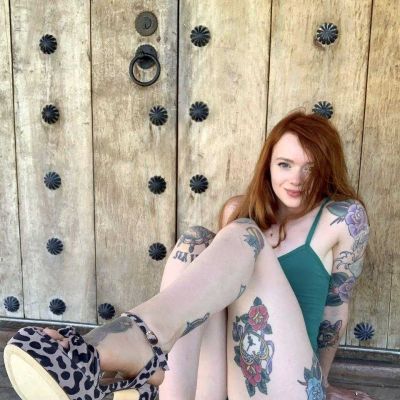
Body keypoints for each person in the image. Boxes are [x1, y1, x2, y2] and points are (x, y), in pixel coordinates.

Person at [4, 110, 372, 400]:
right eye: (285, 164)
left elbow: (335, 313)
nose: (296, 179)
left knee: (245, 234)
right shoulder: (238, 209)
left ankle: (123, 343)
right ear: (268, 165)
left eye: (311, 168)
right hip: (226, 382)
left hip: (287, 384)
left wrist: (323, 383)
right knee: (196, 242)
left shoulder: (342, 218)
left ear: (326, 169)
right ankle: (153, 375)